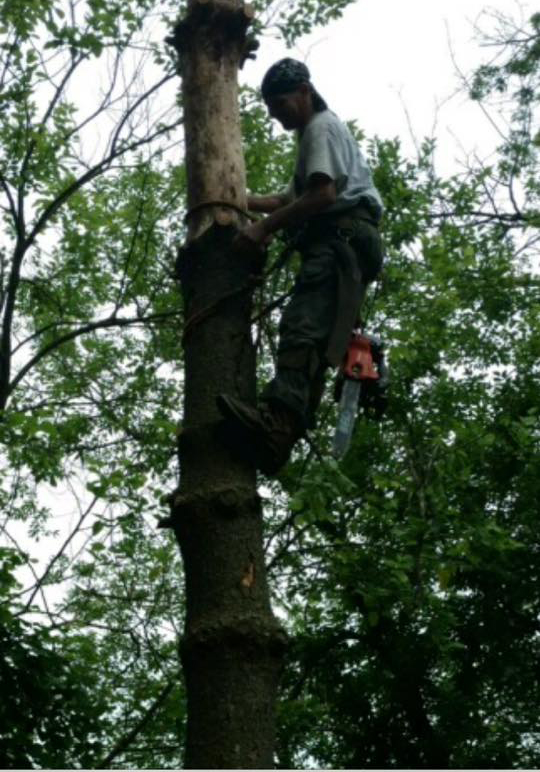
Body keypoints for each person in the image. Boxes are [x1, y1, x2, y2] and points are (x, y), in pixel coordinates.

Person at [217, 58, 384, 475]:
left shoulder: (320, 128)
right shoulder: (316, 134)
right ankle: (279, 437)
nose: (279, 118)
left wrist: (262, 230)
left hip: (339, 241)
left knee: (302, 329)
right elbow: (290, 199)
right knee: (312, 340)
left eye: (282, 105)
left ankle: (276, 422)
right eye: (272, 112)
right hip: (343, 243)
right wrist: (236, 200)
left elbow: (323, 195)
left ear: (305, 91)